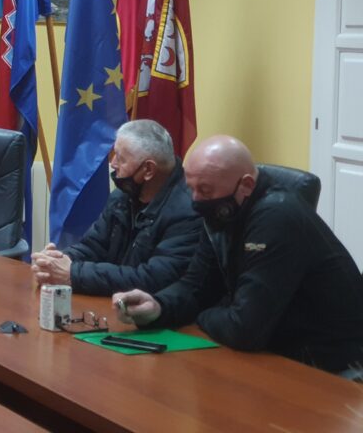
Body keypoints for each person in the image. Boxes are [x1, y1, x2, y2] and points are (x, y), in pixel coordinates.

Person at [113, 135, 363, 376]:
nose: (196, 201)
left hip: (332, 366)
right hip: (278, 351)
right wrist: (158, 306)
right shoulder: (224, 211)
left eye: (205, 190)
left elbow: (245, 329)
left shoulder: (276, 216)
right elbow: (196, 285)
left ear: (246, 185)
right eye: (192, 189)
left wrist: (204, 313)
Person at [31, 119, 200, 295]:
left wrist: (73, 274)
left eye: (121, 158)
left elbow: (152, 279)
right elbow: (94, 246)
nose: (113, 164)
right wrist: (58, 260)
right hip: (114, 301)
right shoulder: (122, 196)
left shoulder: (188, 211)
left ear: (148, 170)